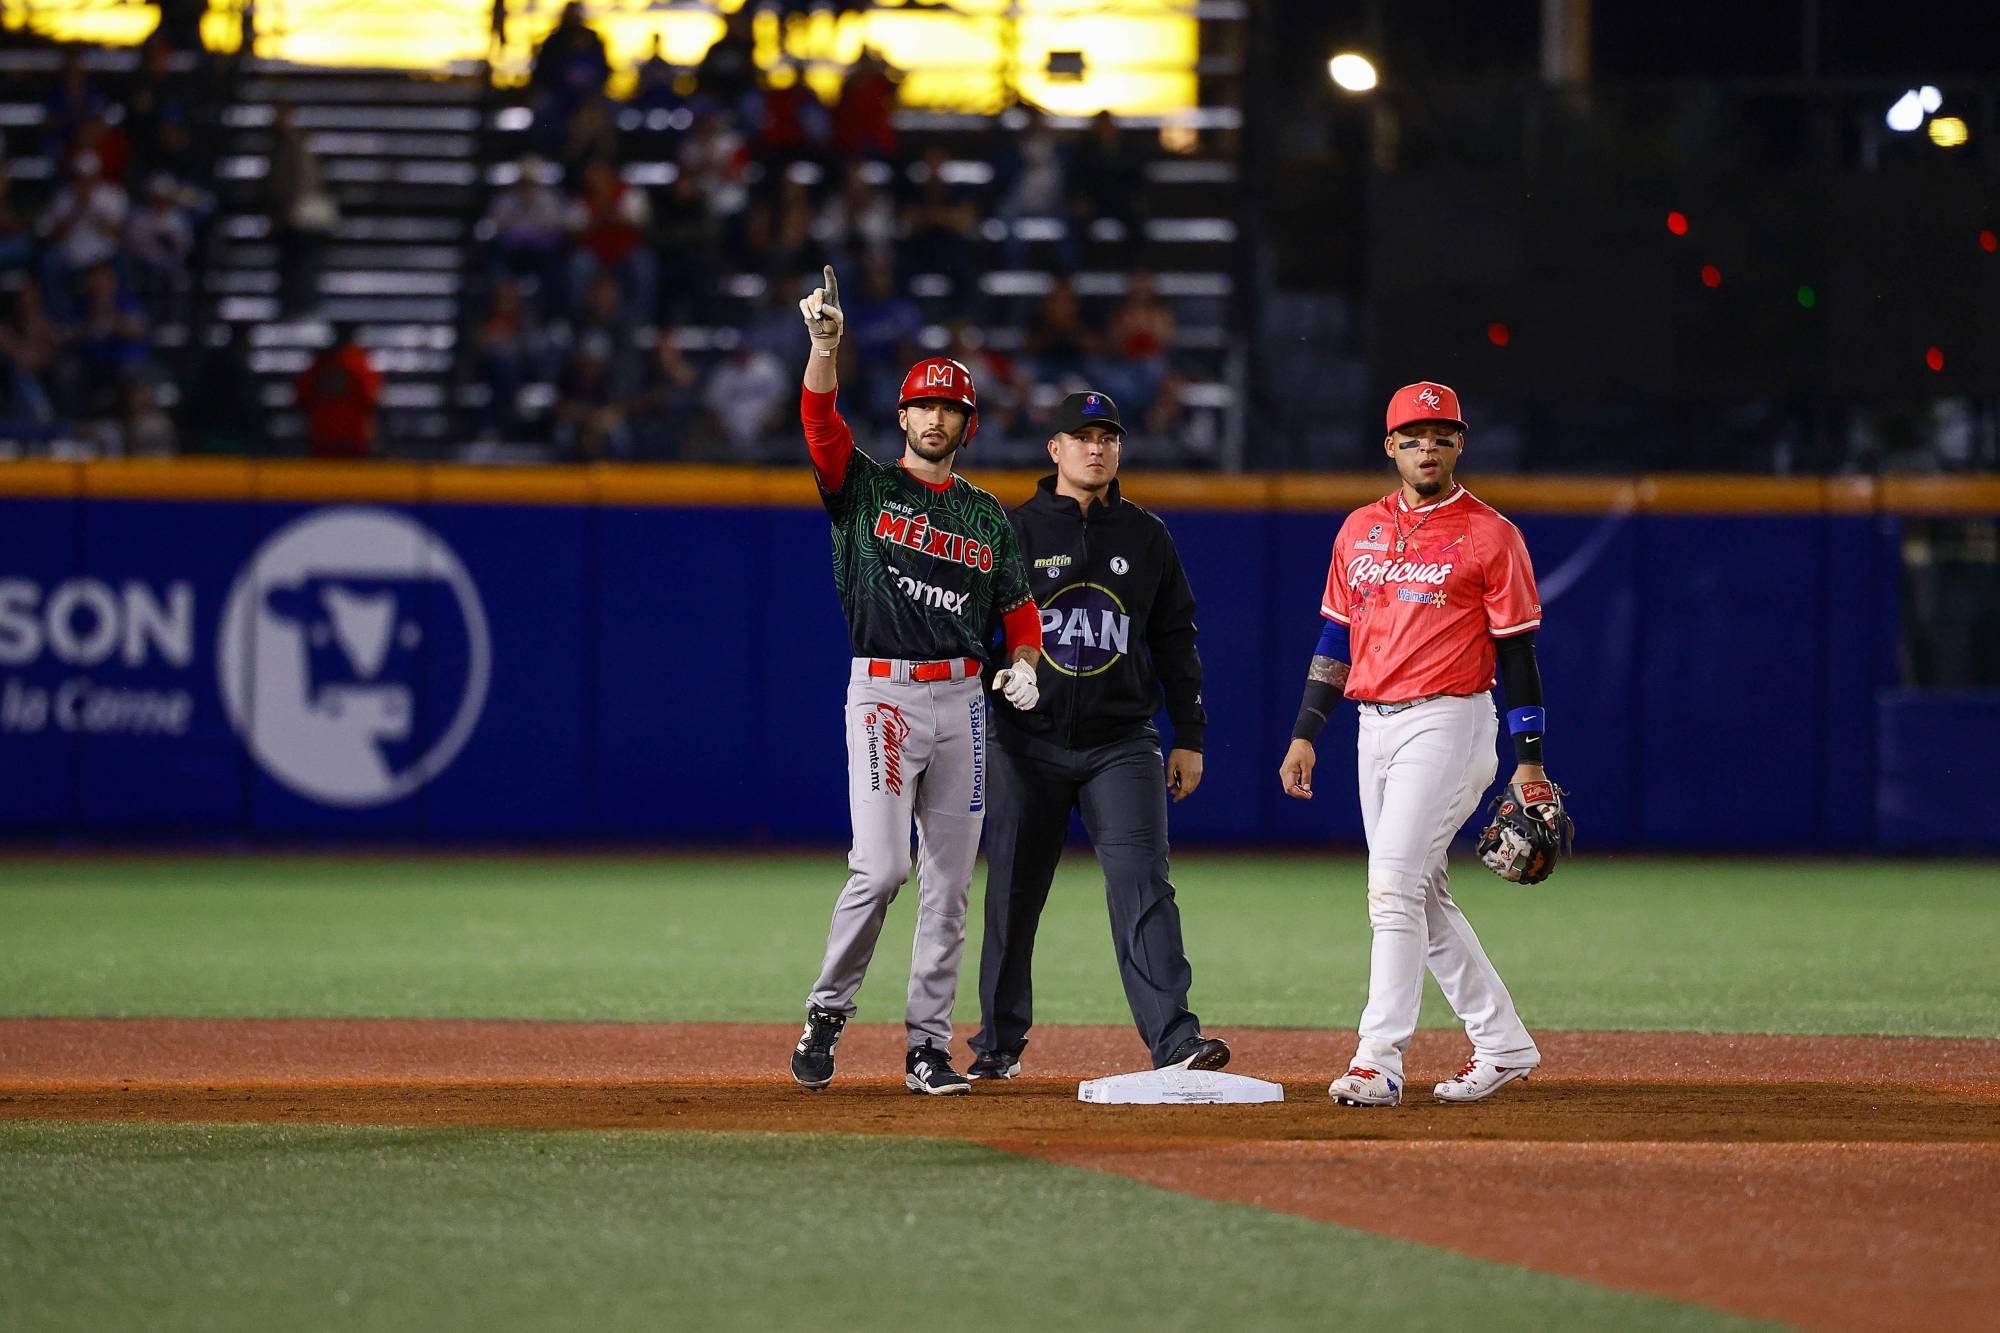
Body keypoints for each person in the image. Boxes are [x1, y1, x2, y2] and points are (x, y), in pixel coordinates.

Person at [789, 264, 1044, 1097]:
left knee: (948, 883)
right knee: (883, 867)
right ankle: (828, 1006)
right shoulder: (863, 488)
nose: (937, 418)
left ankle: (927, 1047)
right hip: (885, 693)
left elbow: (1017, 610)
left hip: (964, 701)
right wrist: (826, 348)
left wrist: (1029, 666)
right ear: (903, 415)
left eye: (951, 409)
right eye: (925, 405)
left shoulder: (984, 515)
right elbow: (819, 422)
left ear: (965, 424)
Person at [1279, 381, 1559, 1107]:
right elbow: (1335, 637)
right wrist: (1308, 730)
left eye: (1440, 435)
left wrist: (1529, 758)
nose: (1426, 447)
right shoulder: (1358, 530)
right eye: (1413, 435)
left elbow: (1518, 651)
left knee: (1393, 887)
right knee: (1422, 893)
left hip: (1451, 719)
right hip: (1375, 724)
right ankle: (1502, 1040)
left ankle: (1379, 1059)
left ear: (1459, 443)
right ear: (1390, 446)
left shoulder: (1492, 534)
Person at [968, 390, 1227, 1079]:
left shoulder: (1146, 535)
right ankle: (996, 1044)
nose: (1096, 447)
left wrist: (1189, 734)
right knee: (1013, 896)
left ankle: (1175, 1039)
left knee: (1144, 884)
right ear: (1053, 448)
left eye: (1108, 436)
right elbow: (975, 630)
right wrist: (998, 673)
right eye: (1081, 436)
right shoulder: (1013, 530)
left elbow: (1177, 641)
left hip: (1121, 741)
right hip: (1026, 742)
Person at [293, 325, 382, 458]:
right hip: (348, 437)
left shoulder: (320, 365)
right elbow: (372, 399)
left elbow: (301, 397)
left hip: (330, 436)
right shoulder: (359, 364)